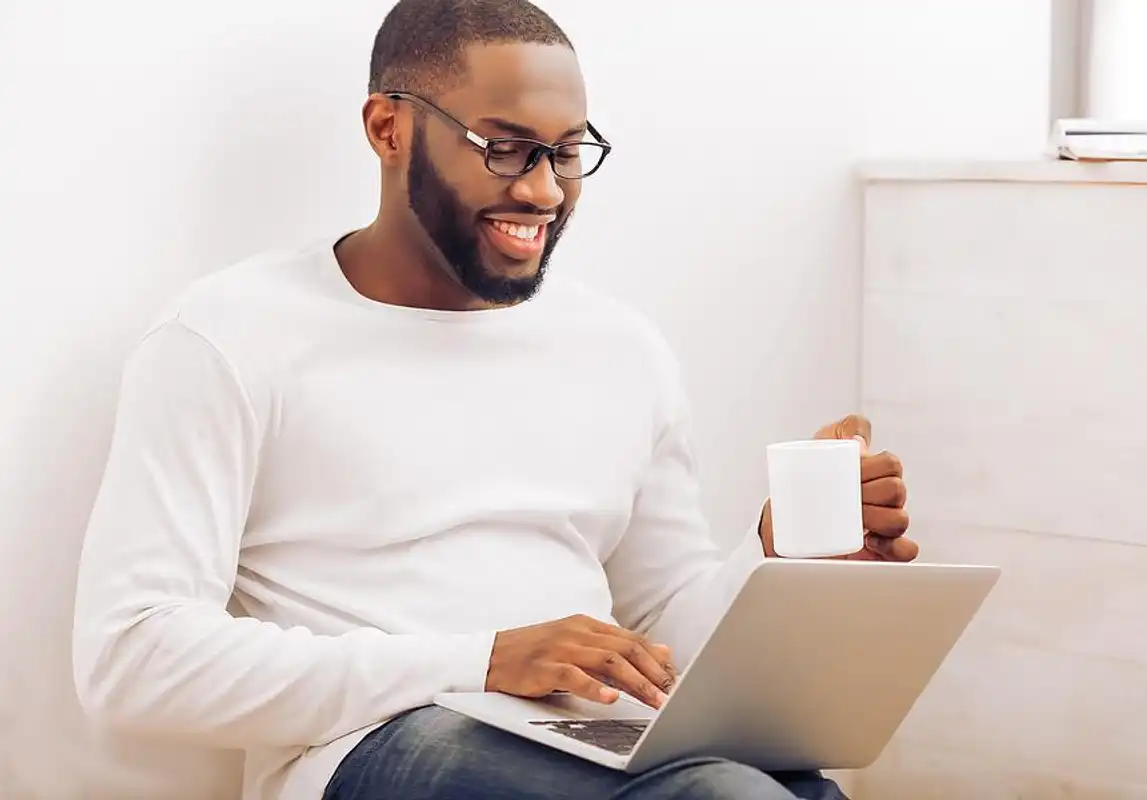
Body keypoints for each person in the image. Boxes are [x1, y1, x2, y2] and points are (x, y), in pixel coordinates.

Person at [71, 1, 916, 798]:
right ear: (388, 128)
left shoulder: (620, 348)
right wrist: (481, 660)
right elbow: (130, 655)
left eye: (566, 152)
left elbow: (663, 632)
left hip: (600, 739)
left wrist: (772, 561)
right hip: (374, 744)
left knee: (796, 789)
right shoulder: (229, 335)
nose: (545, 191)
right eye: (505, 148)